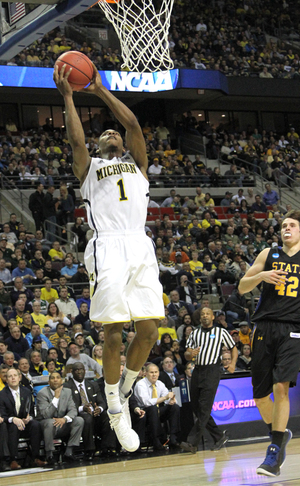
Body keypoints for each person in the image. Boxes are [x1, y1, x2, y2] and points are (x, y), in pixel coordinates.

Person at [54, 61, 164, 453]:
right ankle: (116, 408)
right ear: (100, 147)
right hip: (107, 246)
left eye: (113, 132)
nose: (112, 133)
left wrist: (99, 90)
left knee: (150, 332)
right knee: (114, 331)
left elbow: (133, 125)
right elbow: (76, 142)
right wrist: (68, 97)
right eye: (105, 134)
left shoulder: (138, 163)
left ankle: (123, 386)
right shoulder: (90, 168)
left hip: (139, 244)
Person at [238, 209, 300, 477]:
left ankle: (273, 452)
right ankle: (280, 433)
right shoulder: (268, 254)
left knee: (280, 387)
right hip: (263, 328)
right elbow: (242, 286)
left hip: (293, 328)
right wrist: (261, 276)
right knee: (261, 396)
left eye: (292, 225)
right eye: (283, 225)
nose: (286, 228)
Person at [180, 307, 238, 453]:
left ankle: (192, 443)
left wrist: (232, 364)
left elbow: (233, 348)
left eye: (207, 314)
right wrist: (190, 354)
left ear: (213, 317)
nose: (205, 316)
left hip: (212, 370)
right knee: (196, 407)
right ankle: (218, 436)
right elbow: (187, 353)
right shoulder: (195, 333)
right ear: (200, 318)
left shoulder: (221, 332)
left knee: (205, 407)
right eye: (202, 314)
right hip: (197, 370)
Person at [64, 362, 117, 458]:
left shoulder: (93, 384)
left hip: (94, 412)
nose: (79, 372)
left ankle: (108, 447)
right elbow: (67, 405)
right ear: (72, 372)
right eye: (76, 370)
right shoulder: (67, 386)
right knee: (87, 418)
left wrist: (99, 409)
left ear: (85, 371)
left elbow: (102, 402)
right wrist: (82, 408)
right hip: (79, 413)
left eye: (81, 369)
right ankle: (90, 449)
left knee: (107, 415)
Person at [0, 368, 46, 470]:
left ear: (19, 377)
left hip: (25, 424)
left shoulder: (27, 392)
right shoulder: (2, 394)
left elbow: (31, 411)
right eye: (10, 376)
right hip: (10, 426)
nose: (13, 378)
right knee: (13, 426)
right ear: (6, 380)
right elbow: (2, 416)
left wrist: (28, 418)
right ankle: (13, 460)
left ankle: (35, 457)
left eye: (15, 375)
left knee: (35, 425)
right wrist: (13, 419)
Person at [36, 371, 84, 465]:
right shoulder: (42, 393)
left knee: (79, 420)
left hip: (62, 423)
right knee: (50, 422)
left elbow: (73, 410)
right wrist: (56, 398)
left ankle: (69, 451)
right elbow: (46, 414)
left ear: (61, 381)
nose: (55, 380)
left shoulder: (67, 391)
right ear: (49, 382)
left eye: (57, 377)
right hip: (47, 425)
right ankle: (49, 454)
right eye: (52, 378)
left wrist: (65, 419)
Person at [133, 363, 180, 450]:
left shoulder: (160, 383)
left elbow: (167, 397)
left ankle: (173, 438)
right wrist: (165, 397)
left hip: (157, 410)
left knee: (175, 407)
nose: (154, 375)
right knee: (153, 408)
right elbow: (146, 402)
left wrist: (171, 400)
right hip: (143, 412)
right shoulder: (141, 384)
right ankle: (156, 440)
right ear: (145, 373)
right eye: (151, 372)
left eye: (156, 372)